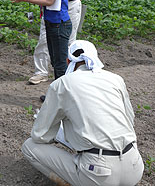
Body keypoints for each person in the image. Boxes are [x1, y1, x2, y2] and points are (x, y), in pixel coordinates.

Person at [22, 40, 144, 186]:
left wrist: (64, 134)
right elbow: (129, 120)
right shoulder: (116, 79)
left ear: (68, 61)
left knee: (29, 146)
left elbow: (40, 135)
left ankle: (73, 182)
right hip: (134, 167)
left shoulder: (62, 84)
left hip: (99, 174)